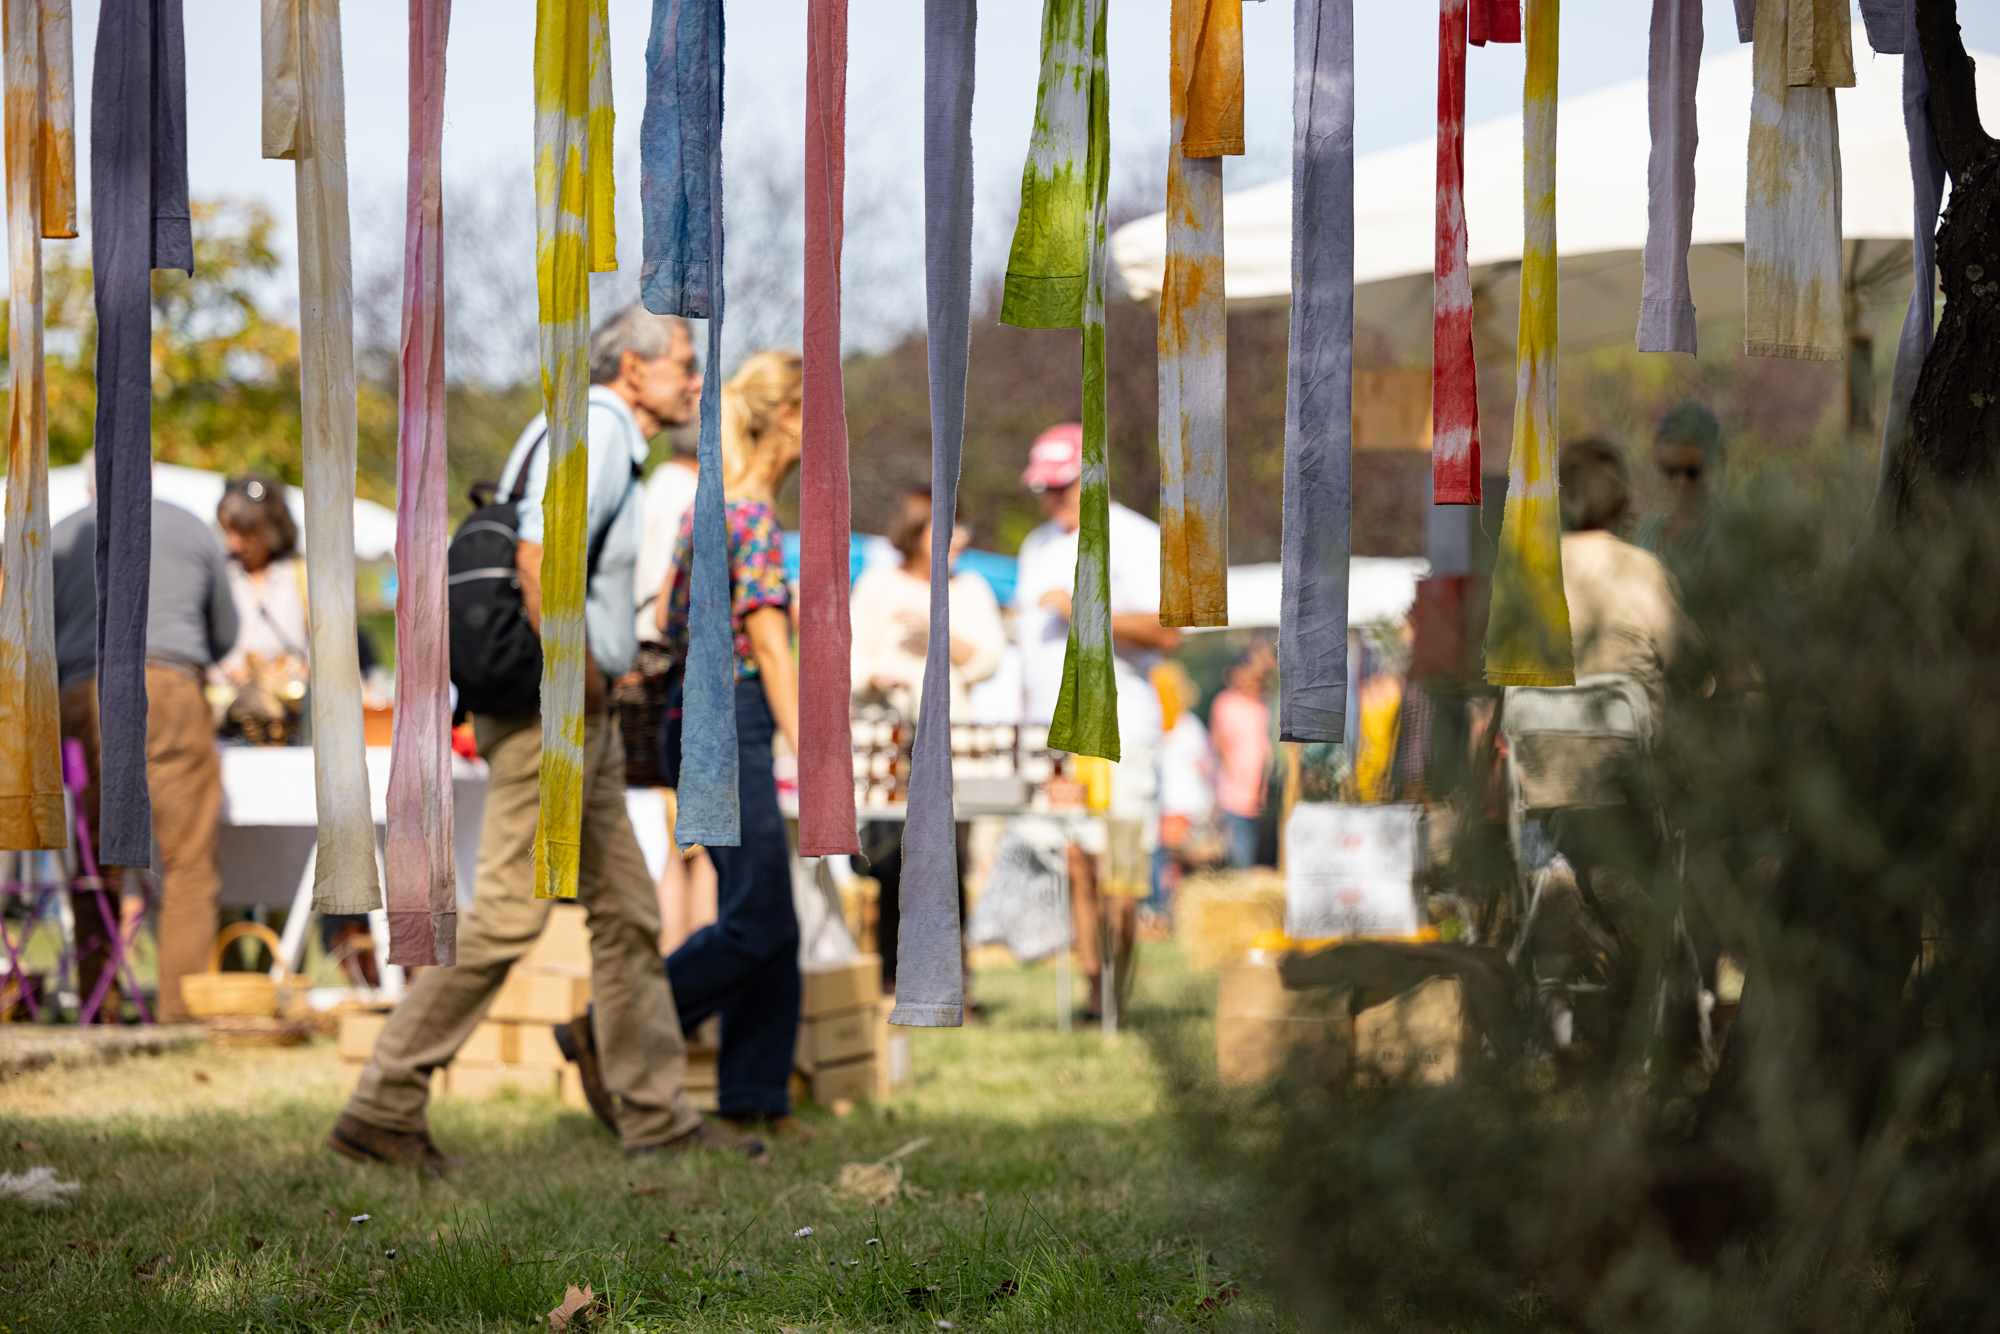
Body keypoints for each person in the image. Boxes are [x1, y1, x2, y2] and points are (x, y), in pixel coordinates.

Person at [330, 305, 747, 1170]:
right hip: (553, 712)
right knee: (510, 917)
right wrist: (581, 674)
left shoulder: (587, 432)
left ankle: (658, 1116)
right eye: (683, 366)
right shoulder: (592, 431)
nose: (696, 382)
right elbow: (539, 554)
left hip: (567, 715)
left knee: (629, 916)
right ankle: (385, 1100)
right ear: (633, 368)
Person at [655, 349, 809, 1139]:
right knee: (759, 921)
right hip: (732, 717)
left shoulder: (709, 506)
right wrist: (813, 756)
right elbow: (772, 647)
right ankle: (613, 1027)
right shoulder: (748, 516)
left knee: (769, 917)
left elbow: (660, 621)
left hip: (697, 720)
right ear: (787, 417)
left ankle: (755, 1097)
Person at [49, 469, 239, 1022]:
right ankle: (183, 1012)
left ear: (90, 485)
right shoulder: (193, 528)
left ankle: (97, 1007)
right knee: (187, 861)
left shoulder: (62, 535)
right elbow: (224, 634)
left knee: (93, 861)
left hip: (84, 693)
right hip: (171, 688)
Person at [1012, 423, 1181, 1022]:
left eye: (1062, 487)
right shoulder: (1034, 547)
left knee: (1123, 870)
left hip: (1121, 729)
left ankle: (1116, 990)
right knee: (1075, 865)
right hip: (1052, 735)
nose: (1053, 500)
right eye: (1046, 489)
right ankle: (1094, 994)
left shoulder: (1134, 537)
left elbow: (1168, 630)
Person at [849, 488, 1006, 994]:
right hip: (887, 748)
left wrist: (934, 629)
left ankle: (950, 977)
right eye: (946, 527)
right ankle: (889, 977)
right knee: (888, 863)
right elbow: (847, 661)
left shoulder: (972, 589)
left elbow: (988, 661)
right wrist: (877, 678)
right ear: (915, 529)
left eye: (961, 527)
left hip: (951, 748)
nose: (958, 538)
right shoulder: (877, 586)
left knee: (948, 863)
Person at [1208, 644, 1274, 868]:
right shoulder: (1226, 703)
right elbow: (1220, 745)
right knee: (1240, 850)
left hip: (1262, 791)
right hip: (1234, 792)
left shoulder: (1266, 704)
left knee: (1257, 849)